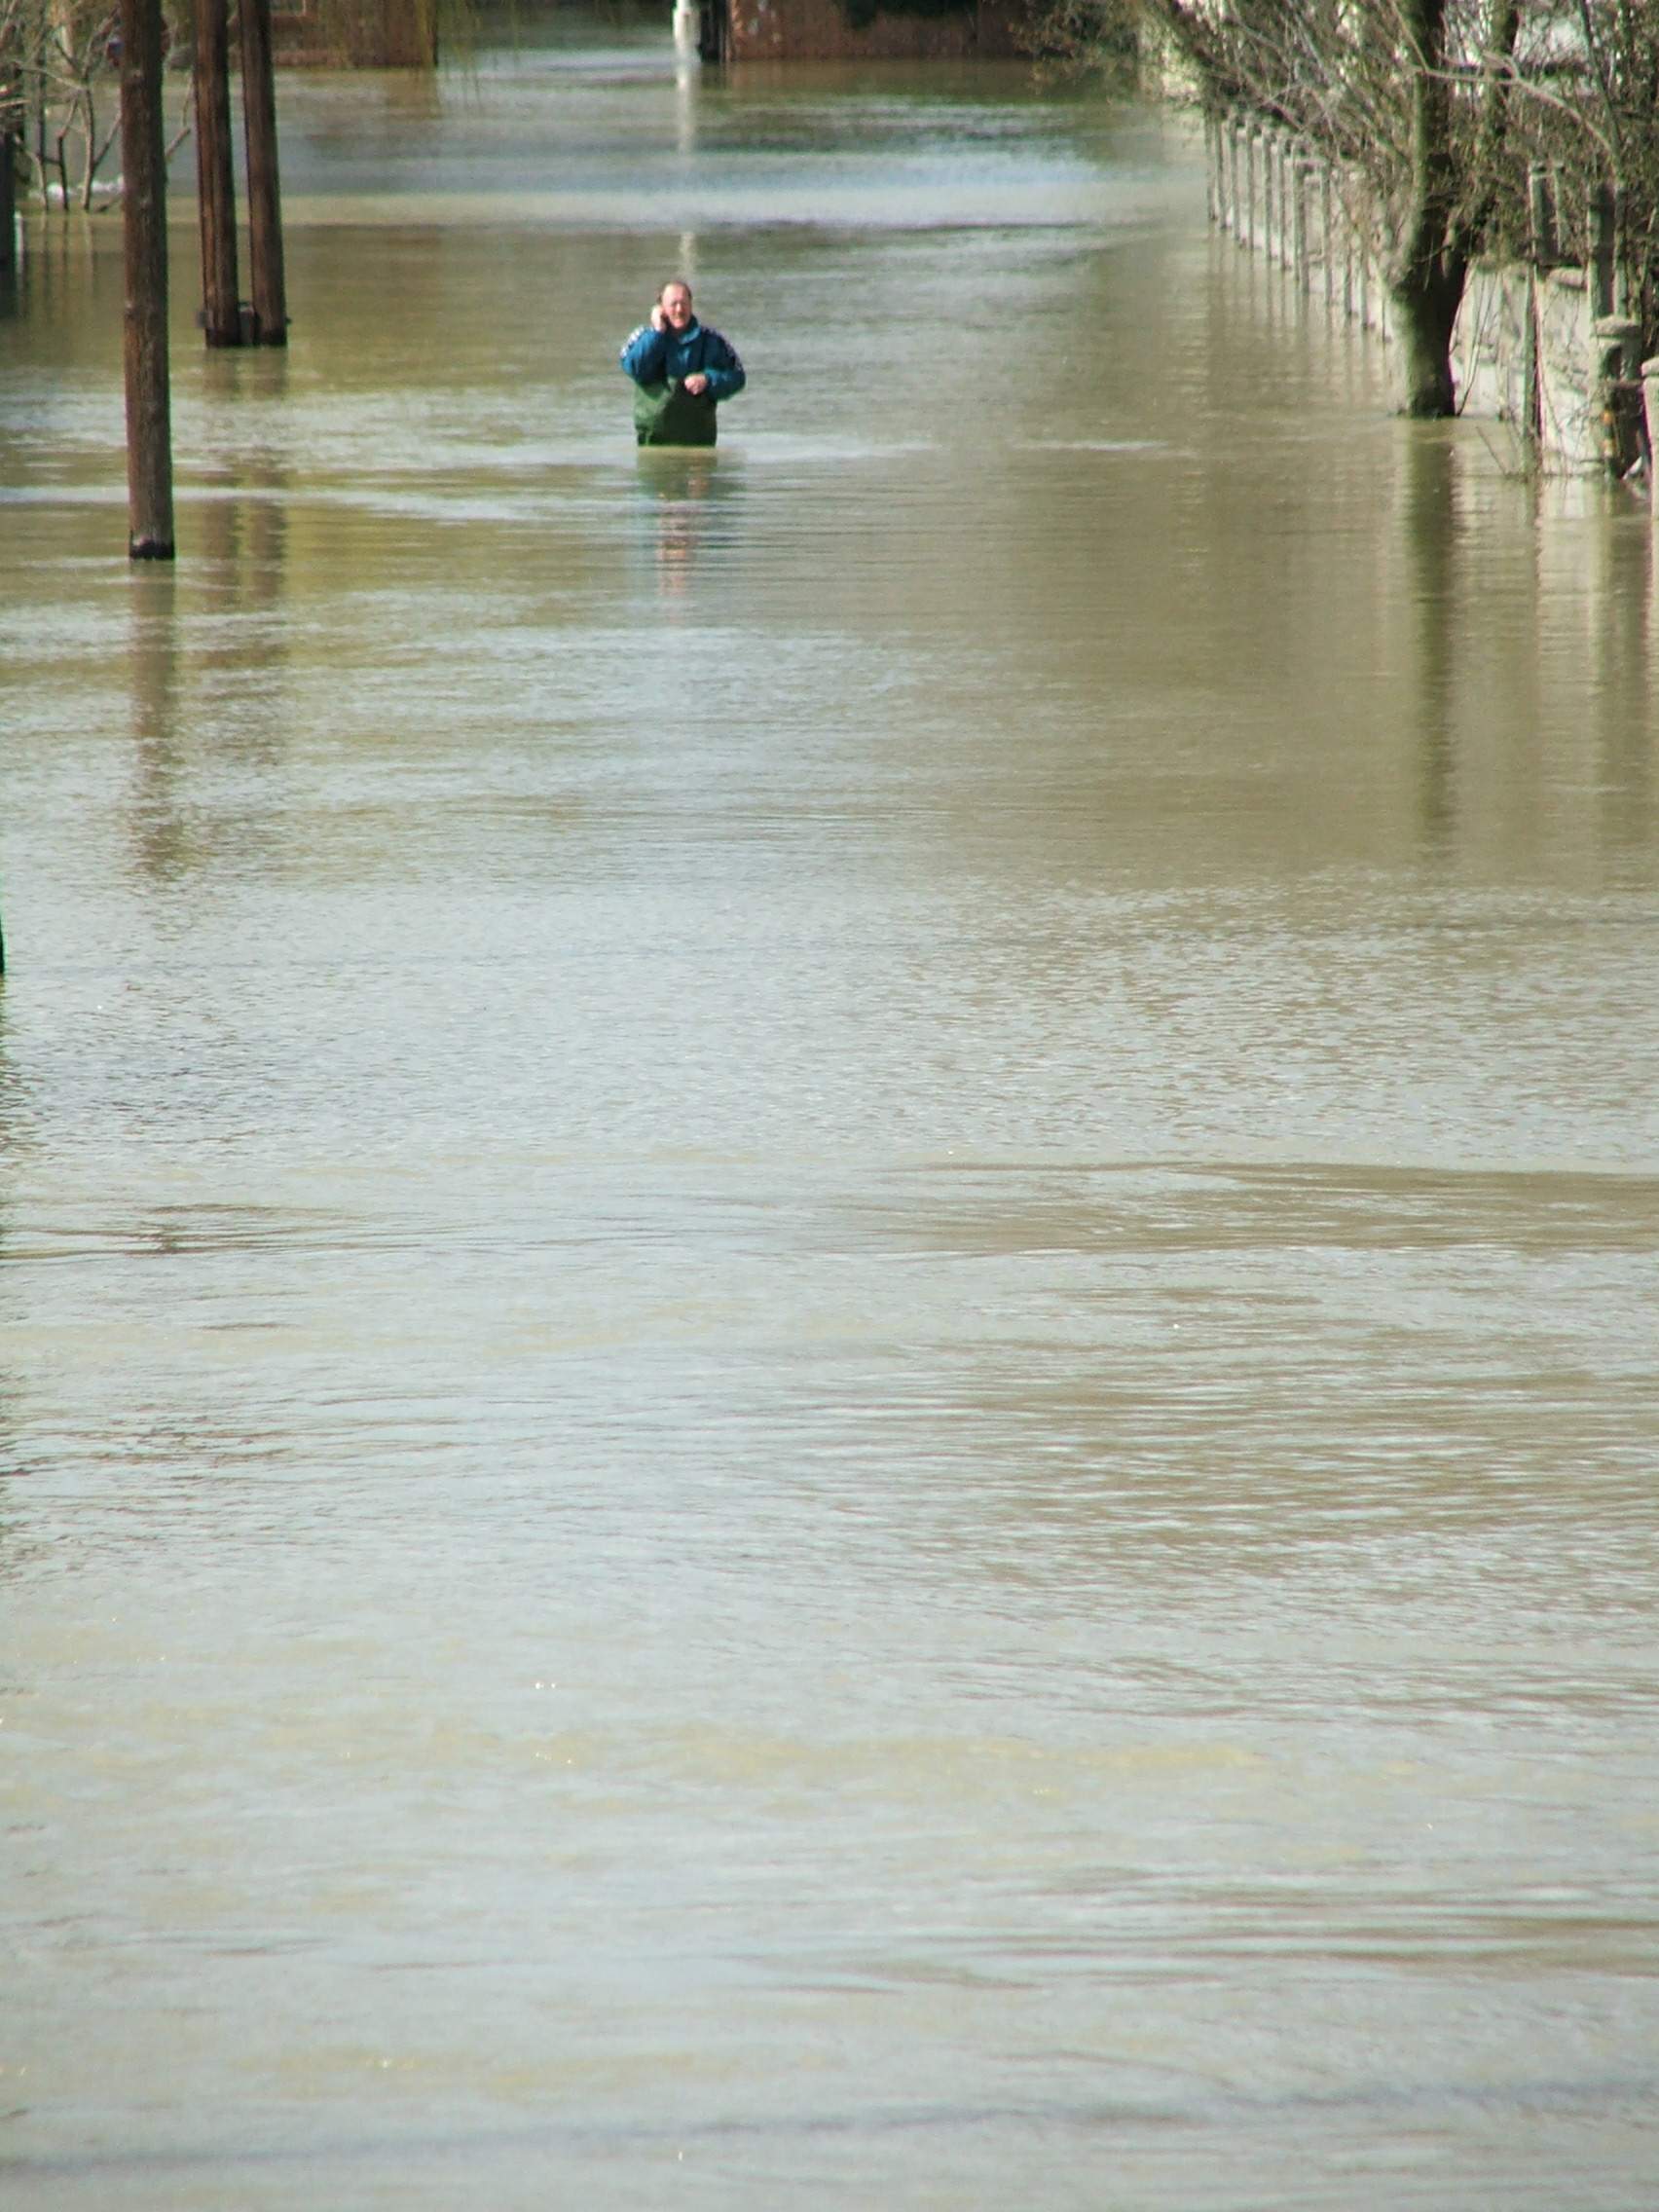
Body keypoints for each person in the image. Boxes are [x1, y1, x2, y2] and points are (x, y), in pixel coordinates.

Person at [619, 281, 746, 449]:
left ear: (691, 305)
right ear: (661, 308)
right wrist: (658, 333)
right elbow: (635, 368)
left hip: (699, 448)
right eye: (673, 304)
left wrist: (708, 379)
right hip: (652, 447)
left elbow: (737, 377)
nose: (679, 310)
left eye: (684, 304)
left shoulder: (712, 340)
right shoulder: (642, 337)